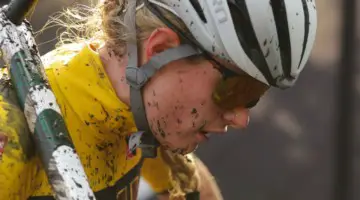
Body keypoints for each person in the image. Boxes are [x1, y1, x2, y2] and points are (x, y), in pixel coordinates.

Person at [0, 0, 317, 200]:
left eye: (253, 97)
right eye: (236, 90)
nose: (241, 117)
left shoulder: (136, 112)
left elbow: (194, 186)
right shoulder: (11, 136)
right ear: (161, 50)